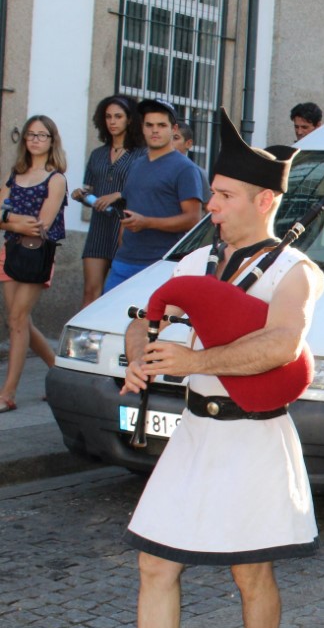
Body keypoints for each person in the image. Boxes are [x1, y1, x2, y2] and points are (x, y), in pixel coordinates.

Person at [78, 110, 324, 628]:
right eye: (212, 192)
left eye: (223, 195)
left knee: (250, 571)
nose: (210, 204)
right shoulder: (202, 261)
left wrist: (194, 361)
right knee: (156, 564)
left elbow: (281, 345)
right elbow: (148, 312)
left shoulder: (294, 273)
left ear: (264, 199)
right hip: (194, 434)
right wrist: (141, 351)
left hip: (253, 434)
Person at [0, 115, 67, 410]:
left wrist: (7, 220)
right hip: (9, 252)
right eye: (30, 134)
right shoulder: (15, 174)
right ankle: (59, 370)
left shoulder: (56, 178)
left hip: (36, 254)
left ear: (52, 140)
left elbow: (41, 225)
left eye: (42, 135)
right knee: (19, 320)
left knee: (16, 321)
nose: (35, 140)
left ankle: (8, 394)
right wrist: (14, 223)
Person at [104, 99, 204, 293]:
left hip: (160, 264)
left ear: (173, 129)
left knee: (146, 324)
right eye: (149, 125)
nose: (155, 130)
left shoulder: (185, 169)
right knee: (103, 320)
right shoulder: (136, 165)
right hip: (124, 261)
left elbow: (193, 219)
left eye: (161, 125)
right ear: (142, 127)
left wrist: (147, 222)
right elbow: (129, 207)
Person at [72, 95, 142, 307]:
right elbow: (91, 190)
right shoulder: (97, 154)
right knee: (90, 291)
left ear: (130, 120)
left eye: (118, 116)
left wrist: (119, 194)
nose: (112, 121)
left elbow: (146, 190)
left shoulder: (142, 155)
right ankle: (84, 338)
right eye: (108, 117)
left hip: (127, 226)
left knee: (121, 294)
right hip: (99, 227)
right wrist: (82, 196)